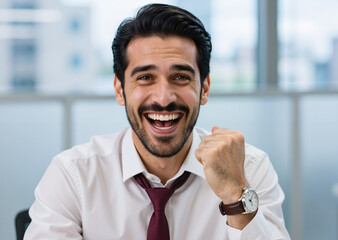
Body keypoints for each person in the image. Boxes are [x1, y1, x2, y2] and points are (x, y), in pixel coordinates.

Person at [24, 3, 290, 240]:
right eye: (145, 78)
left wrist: (236, 195)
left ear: (205, 88)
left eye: (181, 77)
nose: (164, 98)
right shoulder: (74, 175)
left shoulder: (249, 169)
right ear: (119, 89)